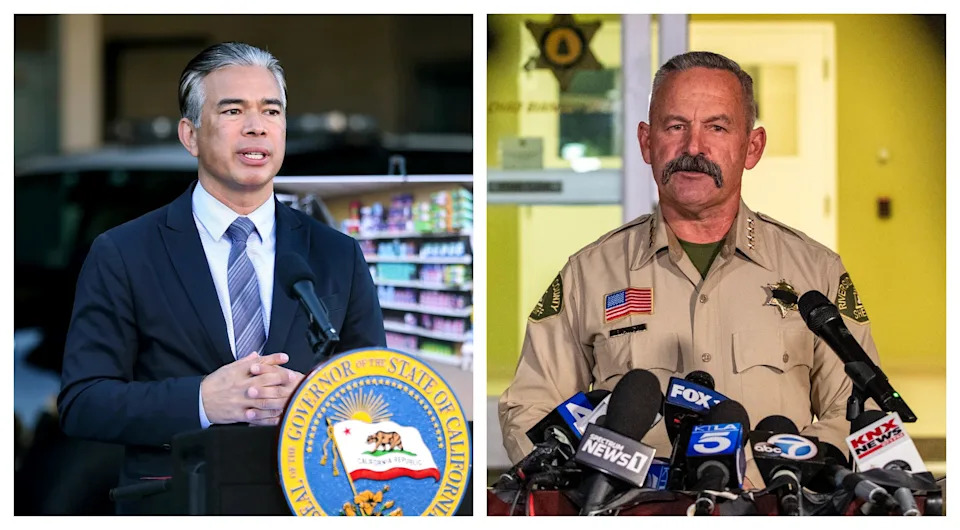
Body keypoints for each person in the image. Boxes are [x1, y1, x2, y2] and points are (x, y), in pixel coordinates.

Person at [498, 51, 881, 486]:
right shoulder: (589, 274)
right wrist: (578, 484)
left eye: (717, 127)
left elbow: (858, 411)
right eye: (675, 126)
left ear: (752, 147)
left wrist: (785, 476)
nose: (694, 147)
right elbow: (528, 406)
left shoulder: (816, 272)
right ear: (647, 142)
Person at [58, 42, 386, 512]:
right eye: (233, 110)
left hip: (308, 504)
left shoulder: (336, 254)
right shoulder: (124, 252)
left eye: (270, 111)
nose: (256, 125)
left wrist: (314, 402)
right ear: (190, 135)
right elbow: (84, 401)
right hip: (179, 503)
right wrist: (202, 401)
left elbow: (376, 394)